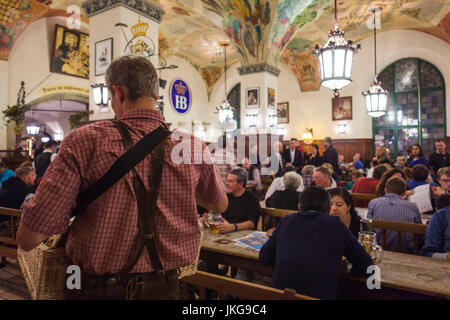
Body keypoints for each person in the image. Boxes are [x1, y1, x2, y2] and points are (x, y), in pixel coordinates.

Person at [17, 55, 228, 300]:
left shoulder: (85, 141)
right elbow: (219, 204)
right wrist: (181, 185)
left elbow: (28, 239)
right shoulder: (192, 146)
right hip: (166, 287)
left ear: (118, 92)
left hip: (96, 289)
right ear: (155, 96)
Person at [259, 186, 372, 300]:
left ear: (299, 207)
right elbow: (367, 266)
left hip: (281, 297)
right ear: (328, 209)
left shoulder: (287, 220)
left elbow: (264, 257)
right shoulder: (336, 224)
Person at [367, 177, 422, 253]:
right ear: (403, 192)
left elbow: (368, 228)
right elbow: (419, 232)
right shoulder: (412, 207)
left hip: (378, 249)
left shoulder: (374, 203)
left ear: (385, 190)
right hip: (406, 252)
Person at [208, 167, 261, 233]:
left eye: (231, 181)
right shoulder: (226, 197)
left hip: (243, 235)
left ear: (241, 184)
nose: (227, 183)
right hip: (226, 235)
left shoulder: (252, 199)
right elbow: (220, 217)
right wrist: (208, 219)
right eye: (227, 180)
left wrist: (232, 227)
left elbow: (252, 223)